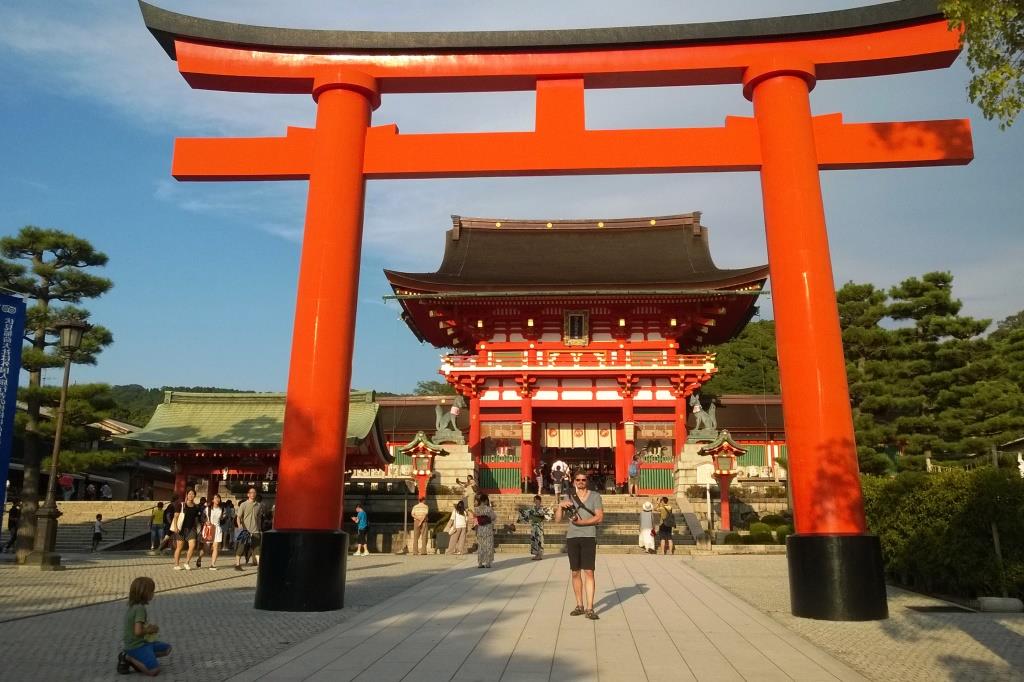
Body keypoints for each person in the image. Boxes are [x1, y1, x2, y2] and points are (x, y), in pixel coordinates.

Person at [555, 469, 604, 620]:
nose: (581, 482)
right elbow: (557, 520)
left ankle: (590, 607)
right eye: (578, 480)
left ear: (586, 481)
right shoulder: (569, 496)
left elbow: (599, 518)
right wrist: (560, 505)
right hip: (572, 537)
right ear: (574, 481)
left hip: (589, 536)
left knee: (589, 571)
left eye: (583, 480)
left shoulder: (595, 496)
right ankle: (579, 605)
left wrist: (582, 522)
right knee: (575, 572)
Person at [119, 576, 172, 676]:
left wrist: (148, 628)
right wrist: (150, 629)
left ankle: (143, 659)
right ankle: (128, 657)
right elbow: (138, 632)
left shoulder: (133, 606)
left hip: (144, 643)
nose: (153, 594)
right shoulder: (140, 609)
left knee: (167, 648)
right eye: (152, 591)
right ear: (144, 593)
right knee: (154, 670)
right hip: (136, 646)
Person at [234, 487, 263, 571]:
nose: (253, 494)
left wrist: (260, 528)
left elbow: (259, 518)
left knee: (257, 548)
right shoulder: (243, 504)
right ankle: (237, 564)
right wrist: (240, 526)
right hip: (245, 530)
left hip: (255, 530)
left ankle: (259, 566)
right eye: (251, 492)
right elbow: (238, 517)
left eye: (254, 492)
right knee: (241, 547)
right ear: (248, 494)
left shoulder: (258, 505)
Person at [172, 489, 202, 570]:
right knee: (179, 547)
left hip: (191, 529)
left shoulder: (196, 507)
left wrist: (198, 529)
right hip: (181, 528)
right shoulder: (181, 505)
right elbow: (176, 516)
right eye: (189, 494)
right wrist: (175, 527)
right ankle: (176, 564)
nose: (191, 495)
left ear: (195, 496)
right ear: (187, 495)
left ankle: (187, 563)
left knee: (192, 546)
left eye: (192, 494)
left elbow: (196, 519)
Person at [517, 495, 553, 561]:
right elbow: (526, 513)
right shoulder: (532, 509)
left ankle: (540, 554)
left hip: (540, 525)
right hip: (533, 525)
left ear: (540, 501)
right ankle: (536, 554)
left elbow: (548, 514)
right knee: (534, 539)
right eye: (535, 501)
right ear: (534, 501)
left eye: (538, 501)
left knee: (540, 540)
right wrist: (521, 512)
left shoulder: (543, 508)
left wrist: (541, 514)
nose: (537, 502)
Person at [472, 494, 497, 568]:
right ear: (486, 500)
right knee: (488, 545)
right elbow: (493, 517)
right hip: (487, 527)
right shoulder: (488, 509)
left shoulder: (476, 509)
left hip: (480, 528)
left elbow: (475, 516)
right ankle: (488, 563)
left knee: (481, 545)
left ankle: (480, 563)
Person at [202, 494, 224, 570]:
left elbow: (222, 520)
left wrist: (224, 518)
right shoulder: (208, 508)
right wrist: (205, 522)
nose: (217, 499)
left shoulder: (221, 509)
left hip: (217, 529)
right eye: (216, 498)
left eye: (219, 498)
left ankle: (212, 564)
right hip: (209, 528)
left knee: (215, 547)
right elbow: (202, 518)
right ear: (212, 500)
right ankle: (200, 557)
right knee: (206, 549)